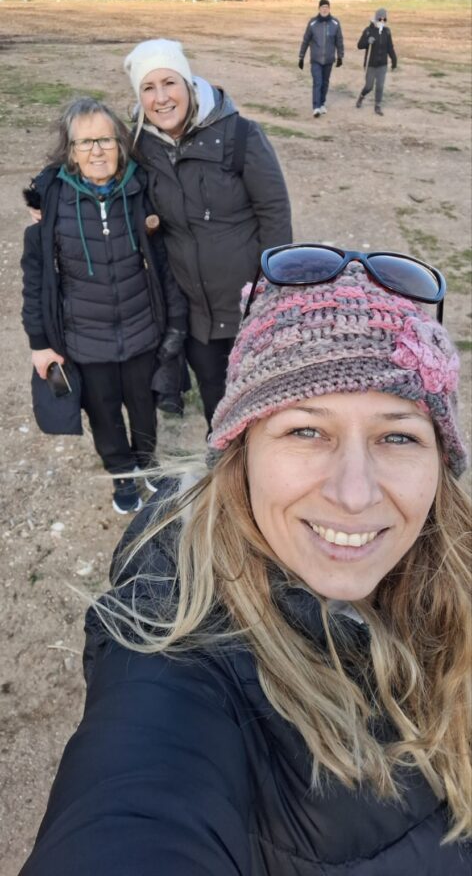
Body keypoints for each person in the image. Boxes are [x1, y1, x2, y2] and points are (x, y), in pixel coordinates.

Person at [20, 244, 471, 875]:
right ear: (241, 451)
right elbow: (135, 806)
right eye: (306, 430)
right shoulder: (175, 649)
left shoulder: (456, 566)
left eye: (398, 435)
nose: (354, 493)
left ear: (441, 464)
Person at [21, 97, 188, 515]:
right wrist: (40, 343)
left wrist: (174, 323)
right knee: (104, 415)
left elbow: (165, 263)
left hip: (141, 332)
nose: (96, 151)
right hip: (85, 341)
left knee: (144, 409)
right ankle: (122, 474)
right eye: (85, 142)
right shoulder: (53, 204)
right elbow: (35, 281)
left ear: (121, 144)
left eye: (105, 140)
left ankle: (147, 462)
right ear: (71, 151)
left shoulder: (142, 191)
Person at [123, 38, 292, 428]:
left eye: (169, 83)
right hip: (194, 315)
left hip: (248, 308)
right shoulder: (140, 146)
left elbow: (275, 214)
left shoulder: (240, 135)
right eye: (148, 88)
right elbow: (92, 165)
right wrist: (44, 199)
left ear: (187, 82)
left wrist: (269, 292)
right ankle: (224, 458)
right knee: (217, 404)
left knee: (263, 403)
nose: (161, 98)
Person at [298, 0, 344, 117]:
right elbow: (306, 40)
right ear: (319, 9)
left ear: (329, 9)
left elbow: (339, 40)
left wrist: (340, 56)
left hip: (329, 59)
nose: (324, 9)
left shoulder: (335, 23)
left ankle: (322, 103)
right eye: (322, 7)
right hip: (316, 60)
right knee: (317, 82)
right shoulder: (313, 23)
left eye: (326, 7)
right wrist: (301, 57)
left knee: (325, 82)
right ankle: (316, 107)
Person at [356, 7, 397, 116]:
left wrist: (394, 60)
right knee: (369, 86)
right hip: (371, 64)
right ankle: (361, 96)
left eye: (384, 19)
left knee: (380, 86)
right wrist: (367, 41)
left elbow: (390, 47)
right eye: (380, 19)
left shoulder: (387, 32)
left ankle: (377, 105)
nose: (382, 21)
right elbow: (359, 45)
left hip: (382, 64)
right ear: (376, 19)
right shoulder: (368, 31)